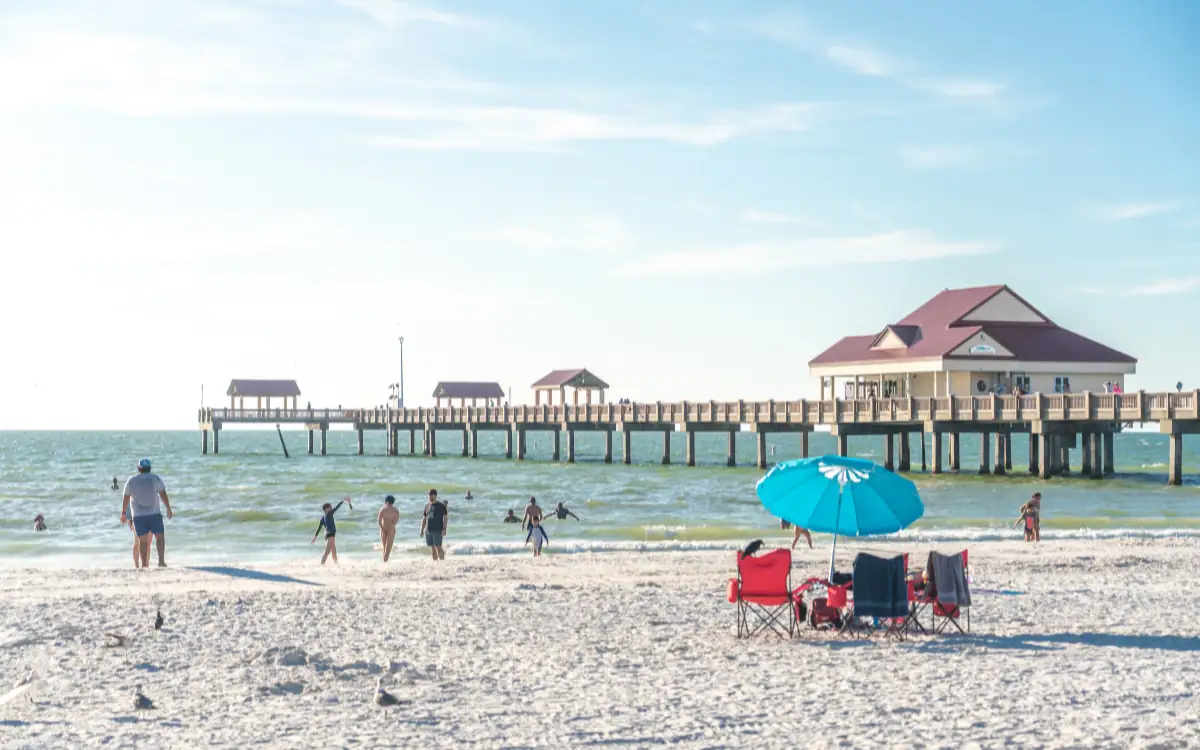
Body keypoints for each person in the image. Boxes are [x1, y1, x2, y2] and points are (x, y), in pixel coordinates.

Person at [120, 458, 173, 569]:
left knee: (142, 541)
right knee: (160, 538)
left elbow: (126, 497)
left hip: (139, 516)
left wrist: (123, 513)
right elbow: (163, 493)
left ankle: (144, 565)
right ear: (150, 468)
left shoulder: (131, 480)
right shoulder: (155, 478)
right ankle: (161, 562)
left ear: (139, 468)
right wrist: (168, 508)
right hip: (154, 513)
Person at [311, 497, 352, 564]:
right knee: (326, 552)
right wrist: (343, 501)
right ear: (326, 509)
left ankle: (337, 565)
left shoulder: (323, 517)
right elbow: (336, 508)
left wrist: (315, 537)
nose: (331, 508)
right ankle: (321, 566)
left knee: (334, 553)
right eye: (330, 507)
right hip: (330, 535)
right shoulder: (329, 513)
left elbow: (319, 527)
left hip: (327, 535)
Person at [420, 489, 447, 561]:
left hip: (438, 529)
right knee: (432, 547)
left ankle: (442, 561)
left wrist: (444, 529)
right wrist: (422, 530)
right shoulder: (427, 506)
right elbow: (424, 518)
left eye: (430, 495)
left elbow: (445, 518)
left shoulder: (441, 506)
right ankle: (435, 562)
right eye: (428, 495)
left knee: (438, 546)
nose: (429, 497)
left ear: (435, 496)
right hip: (428, 530)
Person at [377, 495, 399, 562]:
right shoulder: (396, 511)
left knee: (384, 548)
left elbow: (379, 521)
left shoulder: (382, 509)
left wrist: (383, 529)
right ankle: (385, 565)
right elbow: (395, 522)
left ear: (386, 501)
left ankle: (384, 564)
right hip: (391, 529)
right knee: (388, 549)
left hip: (383, 529)